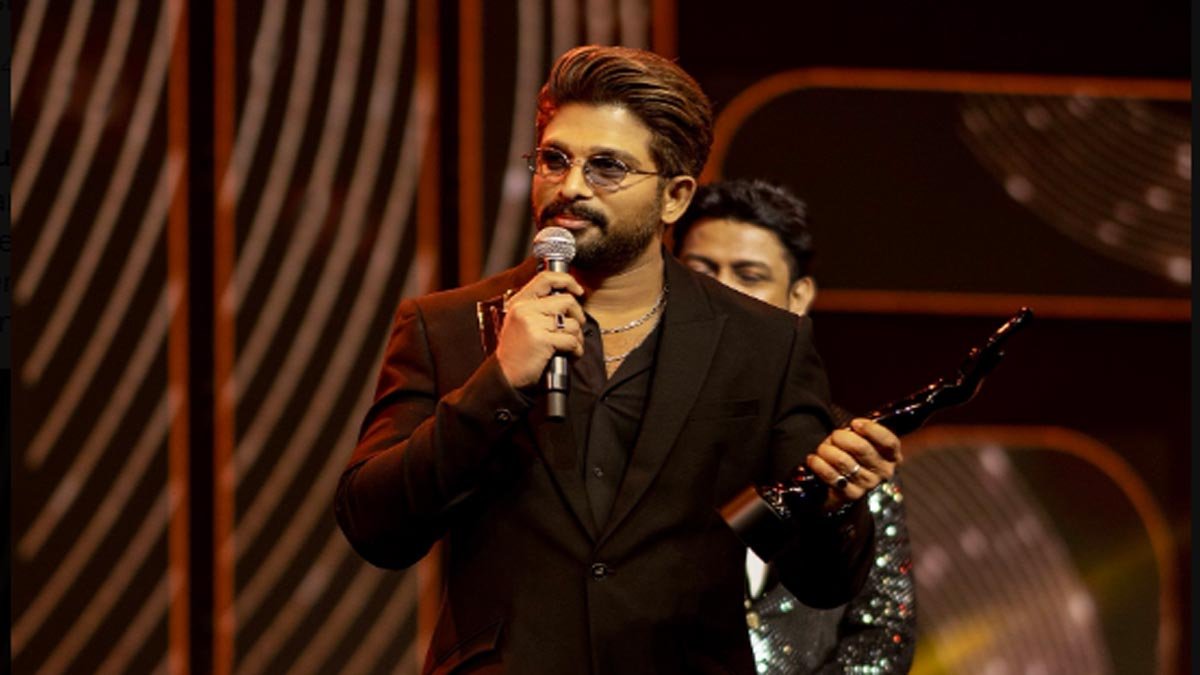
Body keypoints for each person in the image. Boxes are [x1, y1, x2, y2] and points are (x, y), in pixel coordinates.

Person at [335, 45, 901, 674]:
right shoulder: (447, 326)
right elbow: (375, 528)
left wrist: (833, 504)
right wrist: (499, 383)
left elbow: (821, 582)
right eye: (554, 159)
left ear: (674, 197)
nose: (571, 186)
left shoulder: (763, 342)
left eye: (607, 166)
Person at [672, 179, 916, 674]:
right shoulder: (635, 421)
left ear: (799, 295)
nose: (723, 291)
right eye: (701, 272)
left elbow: (883, 630)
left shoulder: (844, 445)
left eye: (749, 275)